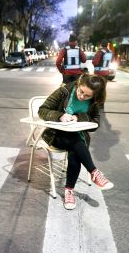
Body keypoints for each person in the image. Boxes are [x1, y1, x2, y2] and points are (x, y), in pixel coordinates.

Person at [38, 74, 114, 210]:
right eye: (80, 91)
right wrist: (60, 116)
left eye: (87, 96)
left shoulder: (96, 101)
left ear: (94, 96)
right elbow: (42, 110)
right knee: (74, 142)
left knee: (75, 150)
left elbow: (96, 123)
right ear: (78, 84)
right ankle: (93, 172)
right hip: (56, 135)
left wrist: (78, 117)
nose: (82, 96)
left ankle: (69, 191)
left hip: (78, 138)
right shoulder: (64, 91)